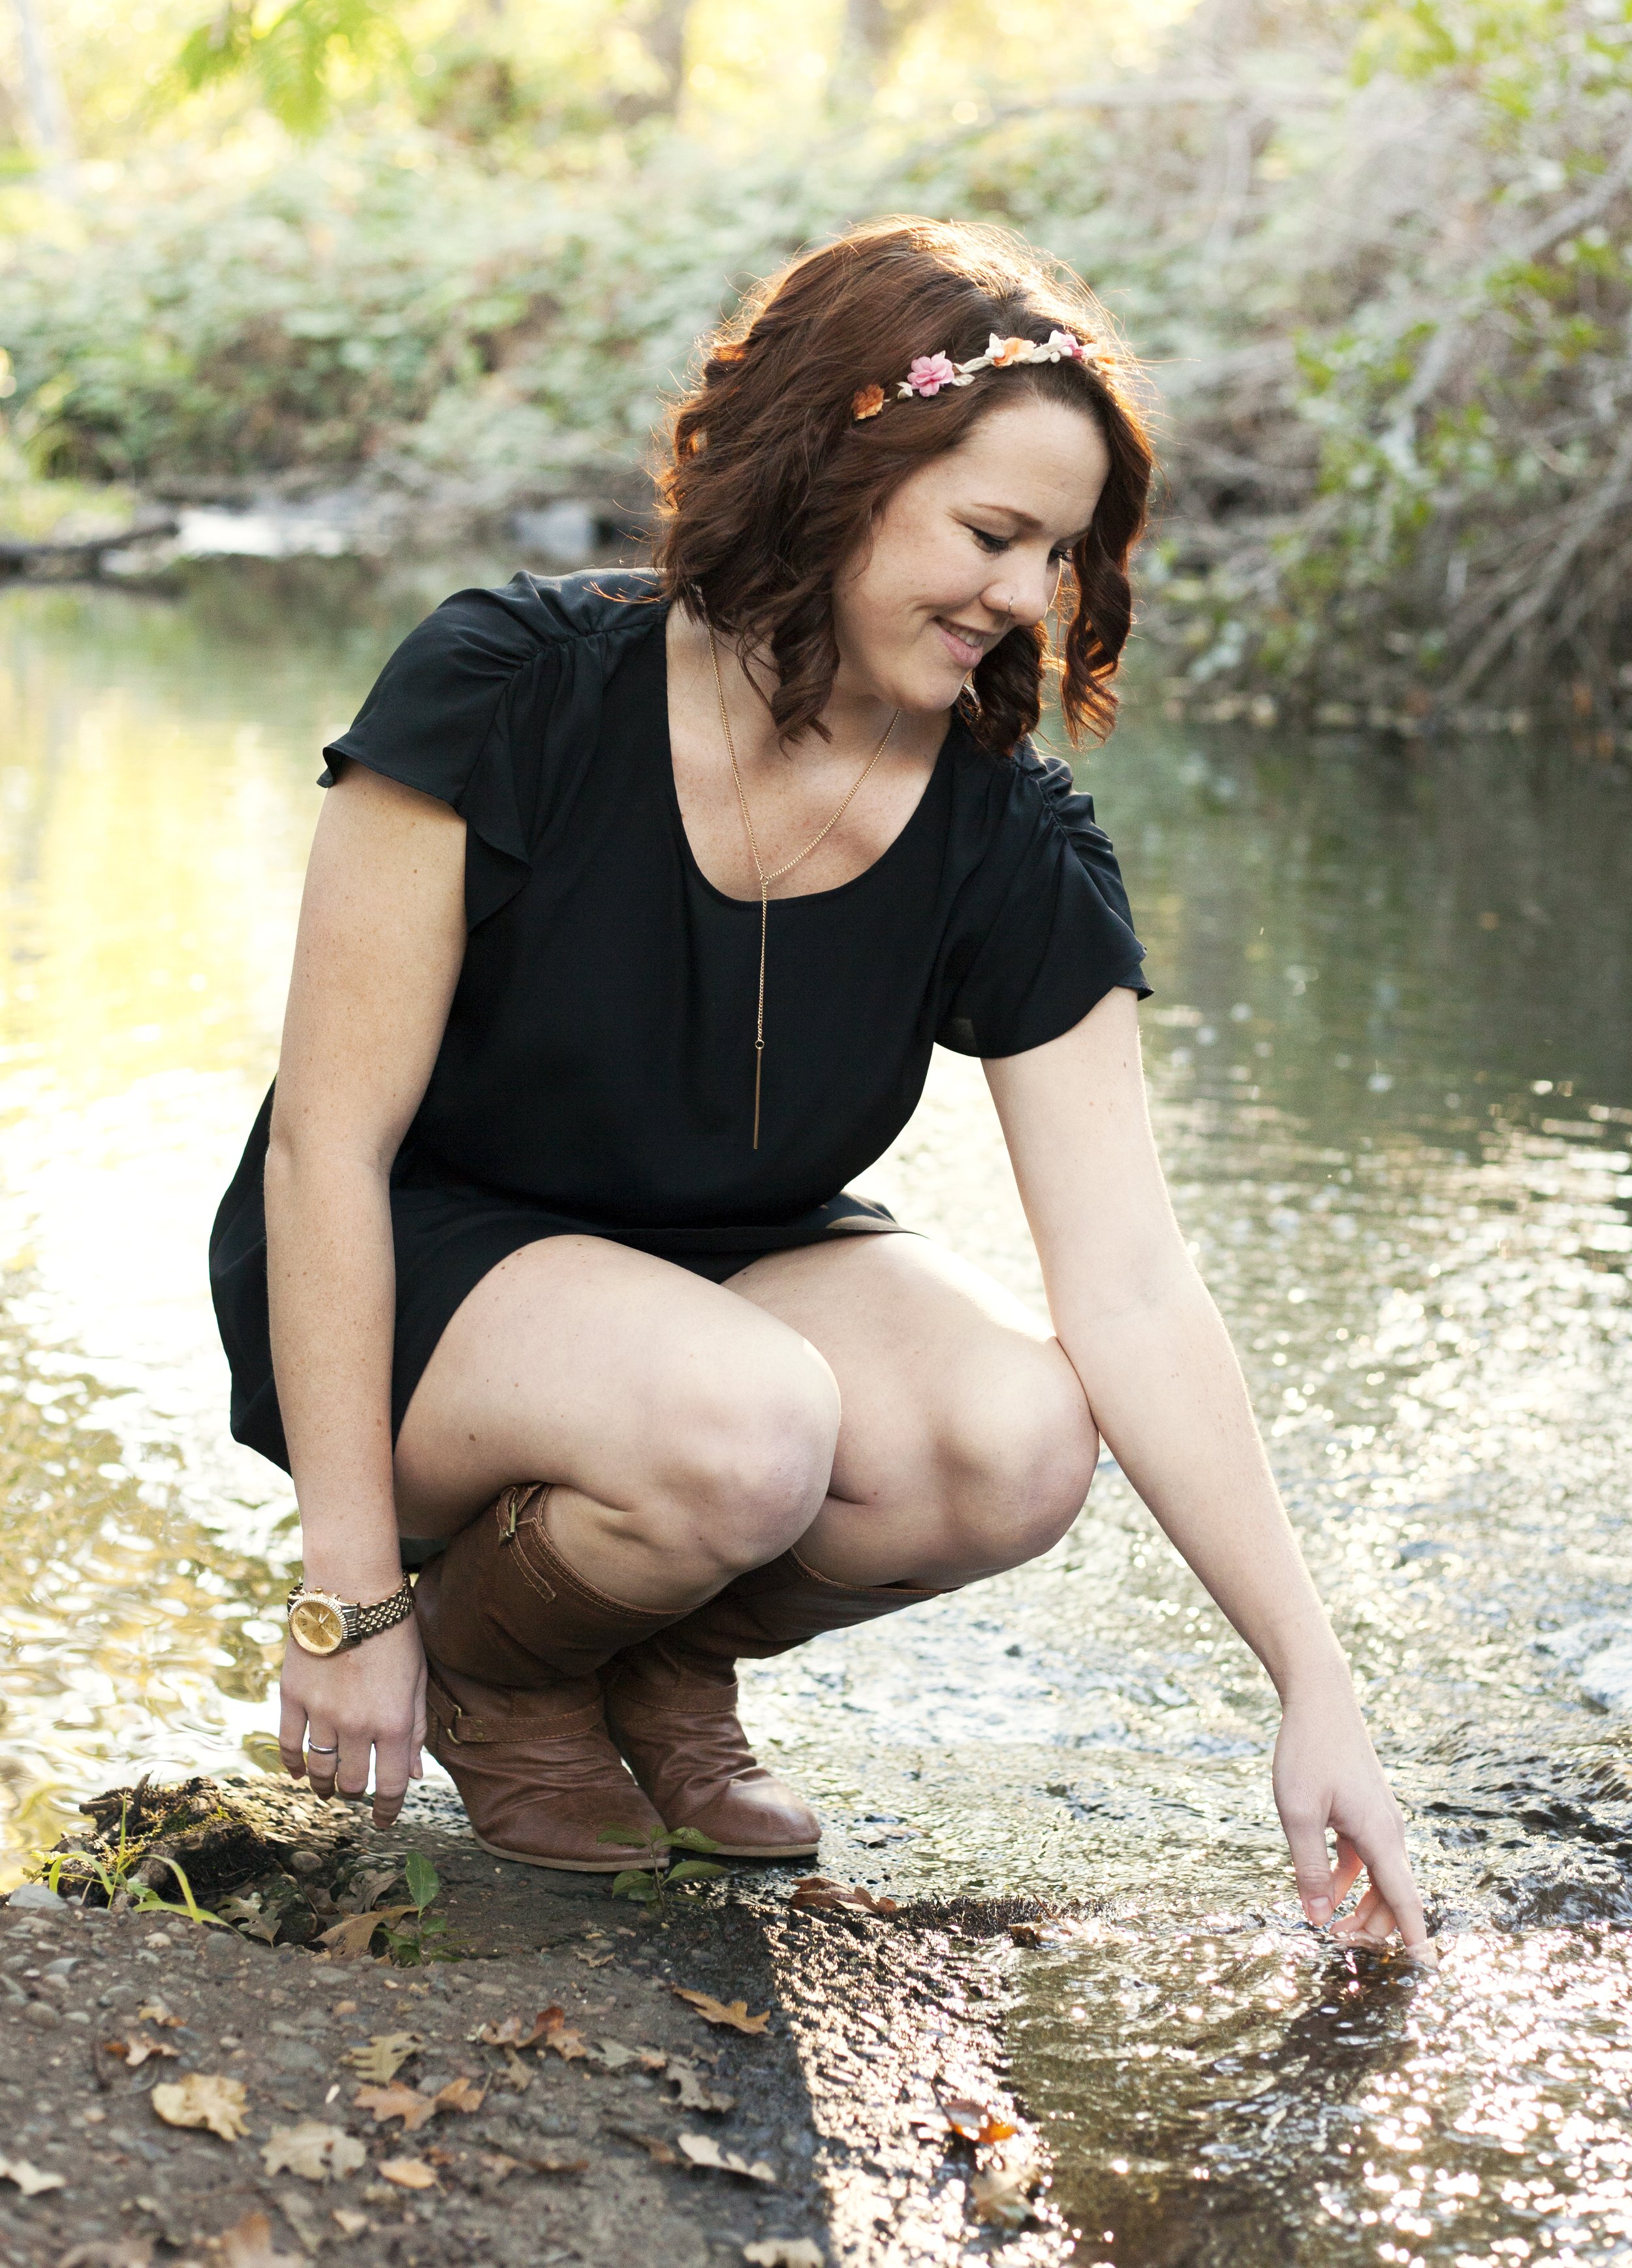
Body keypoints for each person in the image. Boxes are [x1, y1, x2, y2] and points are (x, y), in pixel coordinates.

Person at [210, 216, 1428, 1955]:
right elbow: (328, 1143)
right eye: (990, 533)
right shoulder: (509, 689)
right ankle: (494, 1668)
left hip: (735, 1268)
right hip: (424, 1263)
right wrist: (345, 1593)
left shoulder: (1007, 831)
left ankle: (652, 1660)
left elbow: (1134, 1283)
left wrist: (1314, 1688)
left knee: (1014, 1444)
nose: (1024, 598)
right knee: (750, 1425)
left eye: (1057, 555)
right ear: (831, 468)